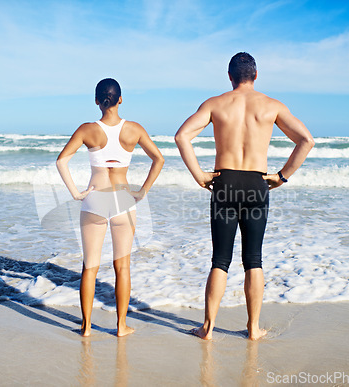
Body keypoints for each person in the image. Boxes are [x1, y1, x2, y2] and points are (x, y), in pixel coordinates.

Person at [175, 52, 314, 340]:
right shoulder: (272, 106)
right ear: (256, 75)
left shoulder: (215, 104)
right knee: (254, 259)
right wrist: (282, 175)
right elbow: (306, 140)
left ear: (230, 77)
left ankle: (208, 328)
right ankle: (253, 329)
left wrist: (199, 174)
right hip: (256, 185)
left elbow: (182, 136)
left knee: (220, 260)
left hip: (224, 183)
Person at [57, 78, 164, 337]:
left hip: (94, 198)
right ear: (120, 99)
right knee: (122, 267)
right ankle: (120, 326)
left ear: (97, 101)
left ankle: (85, 328)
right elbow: (159, 159)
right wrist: (142, 191)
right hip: (123, 200)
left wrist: (76, 193)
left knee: (89, 267)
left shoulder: (87, 129)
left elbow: (61, 161)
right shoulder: (134, 129)